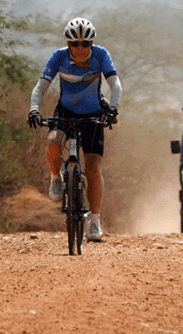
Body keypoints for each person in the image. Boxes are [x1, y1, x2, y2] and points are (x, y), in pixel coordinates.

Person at [27, 17, 122, 242]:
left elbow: (115, 85)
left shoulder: (101, 55)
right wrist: (33, 109)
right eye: (75, 44)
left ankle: (95, 221)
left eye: (85, 43)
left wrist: (113, 108)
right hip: (65, 111)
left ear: (92, 43)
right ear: (67, 43)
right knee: (52, 143)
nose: (80, 48)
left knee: (93, 168)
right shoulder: (58, 57)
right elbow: (40, 88)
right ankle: (56, 178)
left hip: (93, 113)